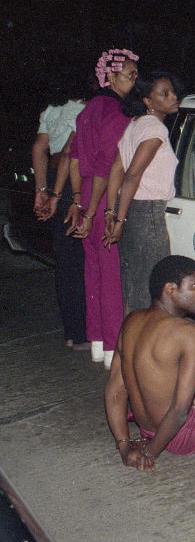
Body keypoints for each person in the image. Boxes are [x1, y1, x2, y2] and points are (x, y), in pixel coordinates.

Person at [104, 255, 195, 471]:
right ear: (170, 289)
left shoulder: (131, 321)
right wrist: (150, 453)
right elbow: (180, 410)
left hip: (149, 430)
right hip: (182, 435)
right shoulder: (190, 332)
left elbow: (115, 388)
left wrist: (124, 446)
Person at [67, 48, 139, 368]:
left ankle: (98, 343)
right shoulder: (115, 112)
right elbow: (103, 167)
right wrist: (94, 210)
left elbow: (75, 159)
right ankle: (112, 349)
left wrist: (79, 203)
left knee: (93, 270)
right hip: (102, 195)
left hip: (87, 193)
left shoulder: (88, 111)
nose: (135, 82)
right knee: (110, 275)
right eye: (130, 76)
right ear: (110, 76)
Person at [103, 70, 182, 312]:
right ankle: (146, 346)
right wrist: (119, 219)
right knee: (154, 290)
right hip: (146, 214)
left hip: (131, 212)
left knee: (135, 287)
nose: (173, 97)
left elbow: (116, 169)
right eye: (164, 93)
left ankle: (131, 346)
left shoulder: (135, 124)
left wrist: (112, 212)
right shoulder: (155, 130)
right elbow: (132, 175)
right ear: (148, 102)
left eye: (172, 91)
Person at [30, 68, 89, 350]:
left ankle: (71, 331)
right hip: (68, 186)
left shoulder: (51, 110)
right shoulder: (82, 110)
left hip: (52, 179)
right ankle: (80, 334)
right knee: (77, 261)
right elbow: (69, 153)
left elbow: (39, 148)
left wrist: (40, 190)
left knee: (64, 263)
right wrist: (55, 194)